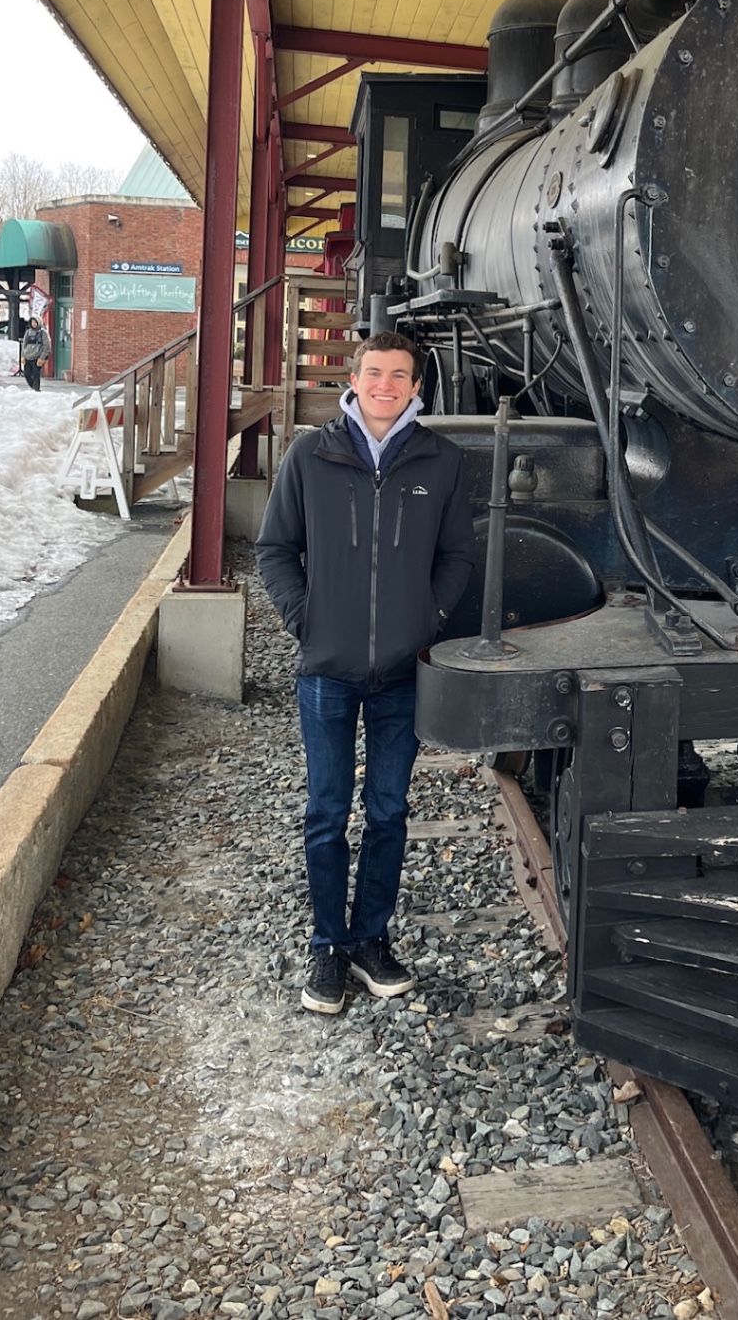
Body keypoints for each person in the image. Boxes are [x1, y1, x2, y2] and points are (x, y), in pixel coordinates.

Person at [256, 331, 474, 1015]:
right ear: (353, 380)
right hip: (327, 669)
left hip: (403, 673)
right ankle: (327, 945)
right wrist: (306, 619)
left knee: (388, 811)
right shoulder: (310, 454)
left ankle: (370, 940)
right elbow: (274, 548)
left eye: (399, 375)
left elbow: (459, 555)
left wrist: (428, 618)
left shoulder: (442, 461)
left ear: (416, 387)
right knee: (326, 811)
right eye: (374, 372)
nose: (386, 385)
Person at [20, 317, 50, 391]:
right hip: (28, 357)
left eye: (35, 322)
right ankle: (33, 387)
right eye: (32, 322)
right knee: (27, 374)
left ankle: (36, 389)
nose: (34, 324)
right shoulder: (28, 332)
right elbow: (24, 345)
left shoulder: (43, 333)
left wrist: (42, 358)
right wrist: (23, 355)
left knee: (36, 375)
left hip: (37, 358)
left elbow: (47, 346)